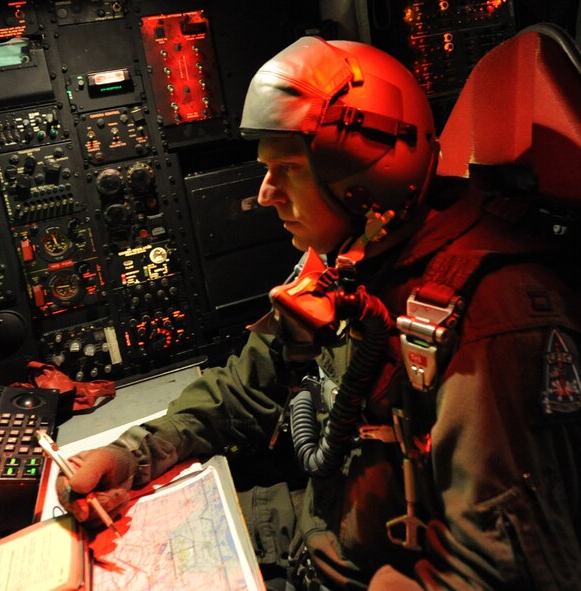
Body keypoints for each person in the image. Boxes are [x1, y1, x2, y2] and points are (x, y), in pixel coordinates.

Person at [56, 35, 581, 590]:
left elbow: (507, 574)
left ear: (364, 181)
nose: (264, 195)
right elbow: (242, 390)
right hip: (325, 522)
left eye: (285, 170)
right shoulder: (342, 264)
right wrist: (129, 456)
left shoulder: (490, 326)